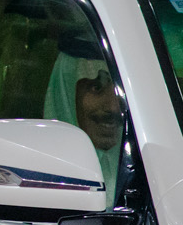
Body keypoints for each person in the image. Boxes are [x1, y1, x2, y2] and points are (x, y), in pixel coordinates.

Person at [43, 34, 125, 201]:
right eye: (96, 88)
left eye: (121, 93)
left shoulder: (155, 171)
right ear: (66, 93)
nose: (113, 107)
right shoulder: (37, 178)